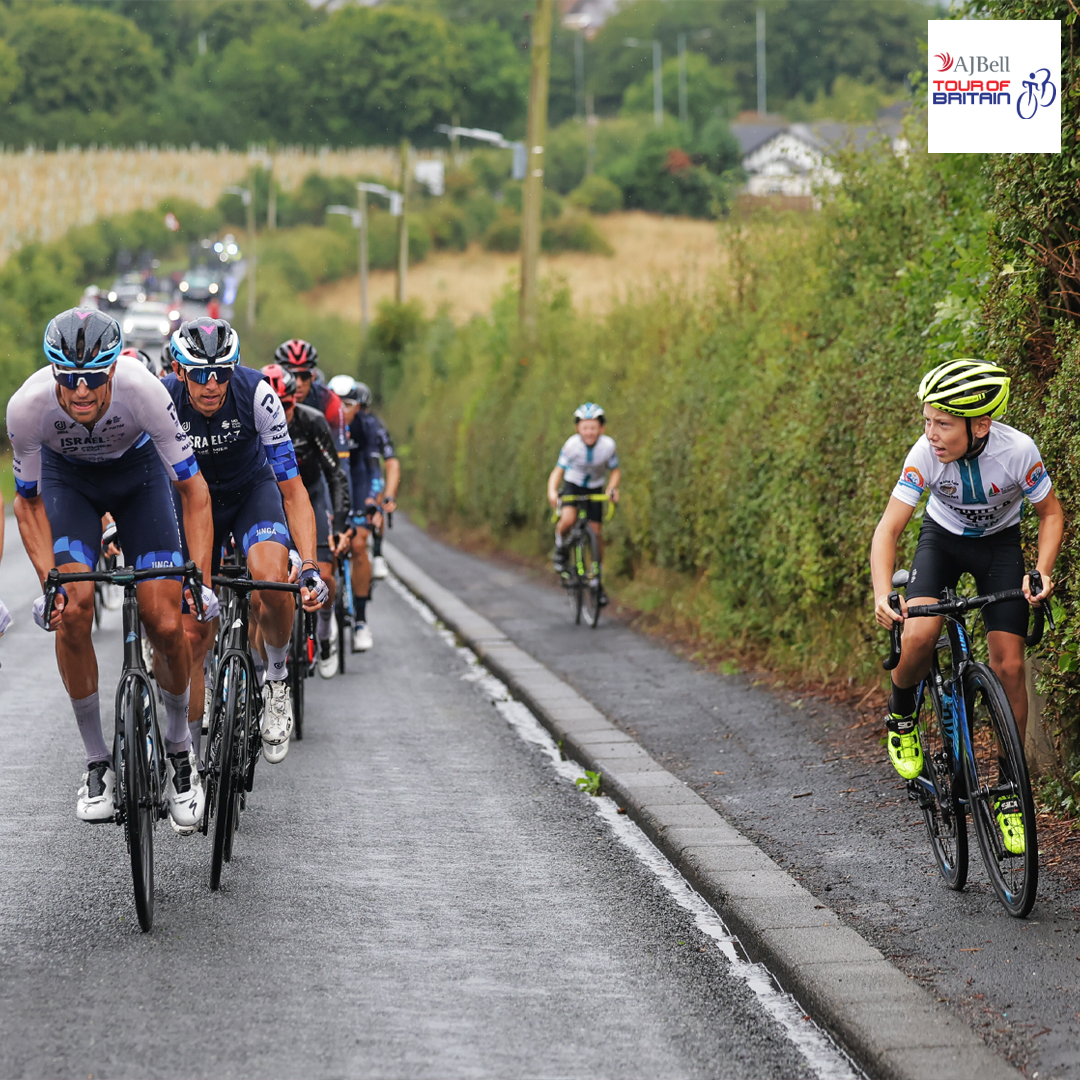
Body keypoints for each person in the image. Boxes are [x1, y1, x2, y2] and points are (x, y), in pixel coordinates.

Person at [6, 307, 215, 828]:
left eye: (94, 380)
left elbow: (193, 490)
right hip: (68, 483)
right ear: (53, 372)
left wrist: (201, 580)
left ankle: (179, 752)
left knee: (166, 621)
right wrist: (48, 583)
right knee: (73, 611)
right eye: (70, 380)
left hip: (139, 479)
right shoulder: (27, 408)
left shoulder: (143, 391)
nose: (81, 393)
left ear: (112, 372)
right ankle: (96, 761)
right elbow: (27, 504)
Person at [870, 360, 1063, 850]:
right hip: (943, 542)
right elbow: (889, 530)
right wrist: (880, 593)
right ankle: (901, 716)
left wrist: (1041, 569)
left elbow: (1050, 514)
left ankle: (1008, 792)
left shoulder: (1017, 451)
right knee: (919, 634)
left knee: (1010, 666)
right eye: (927, 421)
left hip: (1000, 547)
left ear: (980, 425)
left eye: (942, 423)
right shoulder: (925, 455)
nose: (931, 433)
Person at [165, 319, 327, 764]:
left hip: (251, 495)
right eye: (199, 373)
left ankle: (275, 679)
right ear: (179, 371)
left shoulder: (257, 394)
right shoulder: (162, 400)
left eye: (222, 372)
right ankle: (189, 765)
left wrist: (309, 565)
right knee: (193, 632)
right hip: (191, 503)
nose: (212, 384)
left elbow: (292, 490)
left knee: (273, 581)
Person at [262, 364, 351, 678]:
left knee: (324, 573)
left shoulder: (312, 421)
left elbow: (336, 476)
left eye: (287, 404)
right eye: (275, 404)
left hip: (308, 497)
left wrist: (340, 524)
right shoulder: (252, 423)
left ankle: (325, 632)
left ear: (294, 401)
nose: (281, 411)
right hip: (268, 500)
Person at [329, 376, 400, 652]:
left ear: (358, 406)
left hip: (357, 482)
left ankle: (360, 621)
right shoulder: (321, 421)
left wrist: (374, 501)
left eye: (347, 404)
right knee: (327, 550)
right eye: (336, 403)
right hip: (329, 483)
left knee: (358, 543)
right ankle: (325, 611)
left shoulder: (368, 425)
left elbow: (375, 468)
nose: (341, 409)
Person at [547, 403, 621, 601]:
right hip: (574, 485)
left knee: (596, 533)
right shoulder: (572, 446)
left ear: (601, 429)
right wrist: (552, 491)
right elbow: (558, 471)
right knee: (569, 520)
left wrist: (612, 488)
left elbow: (615, 470)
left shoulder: (608, 446)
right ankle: (560, 547)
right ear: (578, 428)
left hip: (595, 488)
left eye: (593, 427)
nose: (589, 432)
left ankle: (597, 577)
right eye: (585, 427)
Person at [275, 339, 348, 453]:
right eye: (292, 375)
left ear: (313, 375)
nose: (298, 383)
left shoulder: (329, 401)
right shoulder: (266, 397)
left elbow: (340, 452)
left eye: (304, 375)